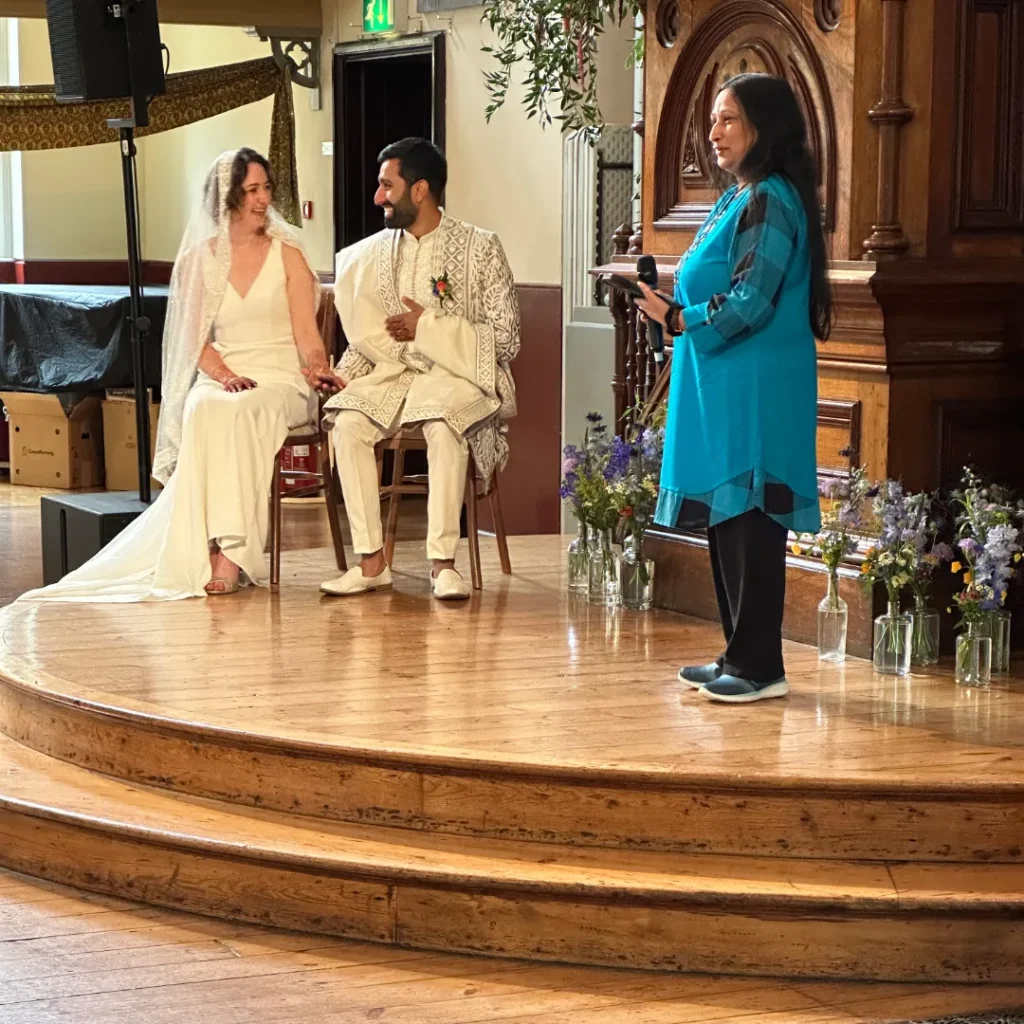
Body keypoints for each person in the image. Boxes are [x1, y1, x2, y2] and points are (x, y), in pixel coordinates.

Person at [19, 148, 336, 602]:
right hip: (224, 373)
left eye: (266, 187)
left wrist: (317, 366)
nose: (264, 198)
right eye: (252, 190)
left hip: (280, 376)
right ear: (226, 199)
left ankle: (230, 552)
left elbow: (307, 331)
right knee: (206, 407)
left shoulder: (287, 254)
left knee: (244, 408)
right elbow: (193, 341)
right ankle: (209, 542)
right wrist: (224, 375)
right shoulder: (198, 260)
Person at [636, 73, 831, 704]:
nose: (714, 133)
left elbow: (751, 299)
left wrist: (678, 318)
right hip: (718, 379)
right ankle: (737, 652)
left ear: (764, 129)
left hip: (754, 384)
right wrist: (677, 312)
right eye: (714, 120)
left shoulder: (772, 197)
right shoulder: (737, 196)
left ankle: (759, 667)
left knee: (751, 514)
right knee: (726, 514)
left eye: (729, 121)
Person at [320, 137, 519, 601]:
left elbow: (507, 338)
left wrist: (427, 327)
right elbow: (365, 340)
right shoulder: (367, 257)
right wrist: (342, 375)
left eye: (386, 186)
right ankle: (371, 562)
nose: (377, 197)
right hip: (393, 375)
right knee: (346, 422)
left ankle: (443, 565)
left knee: (441, 421)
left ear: (420, 190)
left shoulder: (481, 248)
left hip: (459, 377)